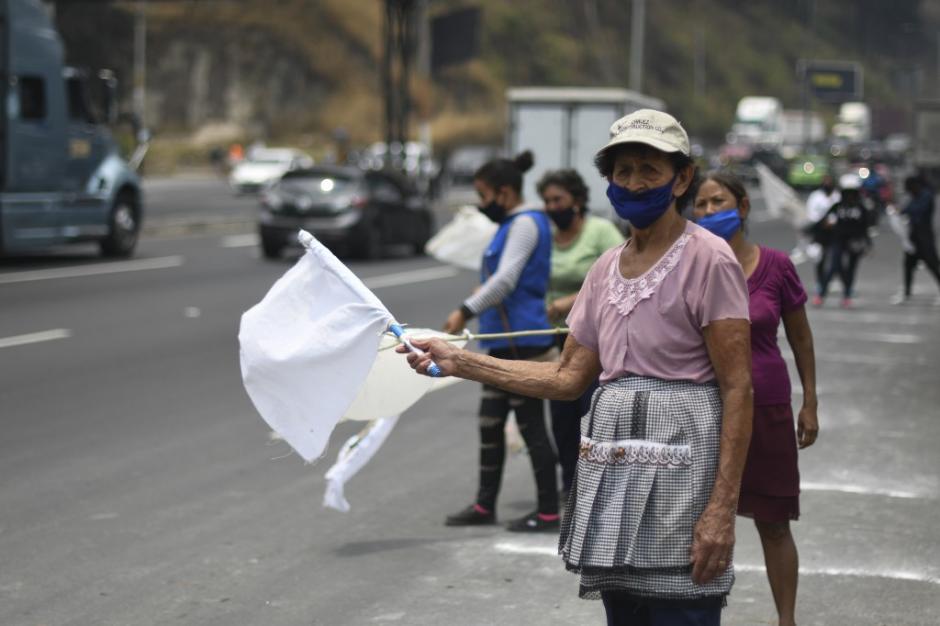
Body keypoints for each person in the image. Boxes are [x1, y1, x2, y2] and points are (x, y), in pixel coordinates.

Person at [403, 109, 753, 624]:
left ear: (681, 179)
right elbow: (568, 379)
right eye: (622, 170)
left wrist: (721, 510)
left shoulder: (709, 260)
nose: (633, 182)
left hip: (685, 471)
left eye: (648, 169)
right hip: (613, 467)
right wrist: (461, 361)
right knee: (625, 610)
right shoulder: (605, 268)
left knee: (683, 607)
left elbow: (739, 388)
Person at [693, 172, 819, 626]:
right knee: (699, 521)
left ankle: (786, 620)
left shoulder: (777, 265)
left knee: (773, 521)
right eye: (700, 205)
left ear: (743, 207)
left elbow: (800, 337)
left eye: (718, 201)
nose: (708, 212)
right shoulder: (691, 266)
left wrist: (810, 401)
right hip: (706, 408)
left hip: (766, 406)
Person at [440, 150, 561, 533]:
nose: (481, 203)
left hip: (522, 341)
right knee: (490, 423)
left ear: (504, 192)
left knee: (530, 426)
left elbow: (506, 280)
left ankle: (547, 512)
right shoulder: (512, 222)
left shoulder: (526, 223)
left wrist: (464, 310)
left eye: (484, 194)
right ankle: (484, 504)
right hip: (503, 341)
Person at [538, 169, 625, 503]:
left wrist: (568, 302)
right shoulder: (545, 238)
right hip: (557, 339)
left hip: (597, 340)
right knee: (561, 415)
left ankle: (600, 483)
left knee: (592, 410)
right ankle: (569, 484)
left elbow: (619, 276)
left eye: (558, 199)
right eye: (546, 201)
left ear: (576, 200)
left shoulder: (601, 232)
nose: (552, 206)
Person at [814, 173, 874, 308]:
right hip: (838, 240)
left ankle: (846, 295)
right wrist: (820, 229)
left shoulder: (861, 207)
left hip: (855, 241)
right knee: (834, 266)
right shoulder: (838, 206)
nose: (850, 195)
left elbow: (865, 227)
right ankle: (821, 294)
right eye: (847, 192)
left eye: (852, 192)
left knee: (851, 270)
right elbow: (823, 220)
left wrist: (868, 244)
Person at [893, 175, 940, 303]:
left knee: (933, 265)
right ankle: (907, 292)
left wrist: (903, 211)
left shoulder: (926, 196)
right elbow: (906, 210)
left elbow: (916, 210)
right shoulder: (915, 196)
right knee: (908, 265)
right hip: (913, 237)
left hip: (925, 237)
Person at [803, 175, 840, 292]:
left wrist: (832, 222)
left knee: (835, 257)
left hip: (834, 231)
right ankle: (820, 282)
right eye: (825, 181)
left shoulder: (837, 196)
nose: (827, 184)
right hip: (820, 232)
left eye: (829, 181)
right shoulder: (815, 197)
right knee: (820, 258)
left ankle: (833, 281)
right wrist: (822, 222)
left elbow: (840, 212)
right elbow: (811, 213)